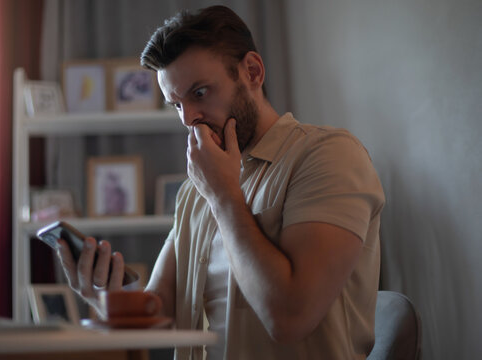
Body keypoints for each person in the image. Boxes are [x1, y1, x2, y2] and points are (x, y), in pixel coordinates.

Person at [56, 5, 385, 359]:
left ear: (253, 72)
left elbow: (290, 318)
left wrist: (224, 196)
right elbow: (157, 316)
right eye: (176, 105)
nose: (189, 119)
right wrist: (101, 293)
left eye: (199, 93)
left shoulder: (327, 156)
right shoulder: (197, 189)